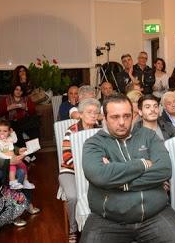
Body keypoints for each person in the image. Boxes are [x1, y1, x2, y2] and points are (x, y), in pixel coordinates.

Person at [80, 94, 175, 243]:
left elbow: (164, 169)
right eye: (115, 117)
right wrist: (142, 164)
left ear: (133, 115)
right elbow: (99, 175)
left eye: (126, 116)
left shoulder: (148, 136)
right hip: (108, 220)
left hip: (155, 214)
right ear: (104, 118)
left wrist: (117, 181)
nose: (122, 122)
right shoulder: (93, 143)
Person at [59, 98, 100, 243]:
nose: (93, 115)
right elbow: (66, 156)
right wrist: (86, 168)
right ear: (81, 114)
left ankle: (100, 227)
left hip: (94, 171)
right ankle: (73, 229)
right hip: (70, 171)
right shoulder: (72, 131)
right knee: (73, 197)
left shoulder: (100, 131)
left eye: (96, 112)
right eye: (89, 112)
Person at [0, 84, 40, 149]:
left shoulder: (26, 99)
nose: (18, 92)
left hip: (25, 121)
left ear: (23, 92)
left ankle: (31, 153)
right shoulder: (6, 99)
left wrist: (26, 108)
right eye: (16, 89)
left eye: (21, 90)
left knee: (35, 132)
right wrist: (9, 108)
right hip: (12, 122)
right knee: (16, 135)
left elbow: (33, 112)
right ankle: (25, 152)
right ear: (13, 90)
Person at [0, 120, 35, 190]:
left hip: (12, 158)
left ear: (8, 132)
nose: (2, 133)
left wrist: (19, 150)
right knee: (13, 167)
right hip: (3, 164)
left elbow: (14, 141)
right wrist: (8, 159)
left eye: (5, 131)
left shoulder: (7, 139)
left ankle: (25, 182)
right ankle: (12, 183)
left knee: (23, 167)